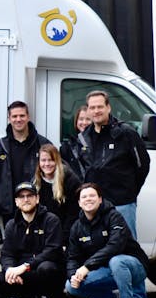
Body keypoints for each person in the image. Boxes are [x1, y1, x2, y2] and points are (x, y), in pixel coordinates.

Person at [65, 183, 148, 298]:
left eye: (92, 195)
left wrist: (87, 266)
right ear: (79, 203)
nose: (88, 199)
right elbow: (73, 256)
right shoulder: (77, 227)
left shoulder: (114, 216)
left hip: (133, 268)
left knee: (116, 260)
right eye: (84, 197)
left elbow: (115, 246)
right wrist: (73, 274)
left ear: (100, 199)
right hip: (105, 271)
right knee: (71, 286)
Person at [75, 90, 149, 238]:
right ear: (88, 110)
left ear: (108, 107)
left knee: (127, 249)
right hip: (94, 207)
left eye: (100, 107)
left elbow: (143, 165)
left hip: (122, 204)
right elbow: (83, 171)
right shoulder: (83, 138)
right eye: (92, 107)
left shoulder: (126, 133)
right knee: (98, 249)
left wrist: (129, 192)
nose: (96, 111)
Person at [0, 181, 66, 298]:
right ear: (16, 202)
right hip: (24, 273)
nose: (26, 199)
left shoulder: (51, 220)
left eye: (29, 195)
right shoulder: (11, 225)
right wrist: (9, 270)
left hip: (47, 269)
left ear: (37, 199)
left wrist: (25, 266)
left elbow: (52, 250)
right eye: (21, 197)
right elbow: (7, 253)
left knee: (46, 268)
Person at [0, 101, 50, 223]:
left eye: (22, 116)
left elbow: (56, 173)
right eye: (14, 116)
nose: (18, 119)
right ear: (9, 119)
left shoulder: (43, 144)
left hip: (38, 209)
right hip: (9, 210)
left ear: (28, 117)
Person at [33, 143, 81, 234]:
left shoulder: (70, 180)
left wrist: (64, 237)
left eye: (51, 160)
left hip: (66, 230)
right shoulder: (35, 182)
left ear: (57, 161)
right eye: (43, 160)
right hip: (43, 231)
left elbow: (73, 213)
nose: (46, 164)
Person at [59, 104, 90, 181]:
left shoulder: (100, 143)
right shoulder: (67, 146)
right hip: (75, 188)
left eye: (88, 119)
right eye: (81, 119)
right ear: (76, 121)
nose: (84, 122)